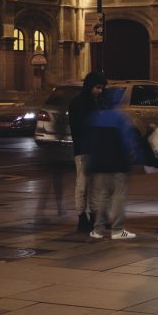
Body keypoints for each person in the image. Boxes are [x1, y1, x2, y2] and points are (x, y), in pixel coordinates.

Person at [87, 100, 145, 240]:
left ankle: (98, 230)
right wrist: (138, 158)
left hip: (100, 164)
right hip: (118, 163)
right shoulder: (121, 117)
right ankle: (117, 230)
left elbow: (89, 141)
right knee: (118, 195)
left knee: (102, 196)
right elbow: (128, 140)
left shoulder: (95, 117)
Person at [68, 71, 107, 233]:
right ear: (90, 86)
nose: (100, 91)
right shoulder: (78, 103)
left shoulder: (98, 102)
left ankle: (94, 215)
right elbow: (78, 128)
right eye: (97, 87)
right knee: (82, 185)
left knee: (96, 186)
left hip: (96, 150)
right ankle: (81, 216)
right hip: (83, 150)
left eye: (102, 88)